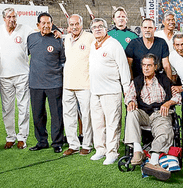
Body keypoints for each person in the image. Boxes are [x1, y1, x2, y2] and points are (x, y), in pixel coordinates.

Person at [124, 54, 181, 180]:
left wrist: (168, 103)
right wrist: (131, 101)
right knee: (131, 112)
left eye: (149, 65)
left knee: (165, 129)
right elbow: (129, 95)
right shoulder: (137, 81)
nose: (146, 68)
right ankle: (138, 152)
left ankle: (153, 161)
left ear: (155, 66)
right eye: (144, 65)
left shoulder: (164, 80)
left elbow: (177, 97)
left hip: (159, 113)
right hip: (143, 113)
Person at [88, 18, 131, 165]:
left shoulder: (114, 45)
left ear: (106, 28)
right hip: (95, 91)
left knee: (113, 123)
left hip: (111, 91)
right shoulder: (93, 45)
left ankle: (112, 152)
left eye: (100, 26)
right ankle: (101, 149)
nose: (97, 29)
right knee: (98, 123)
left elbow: (124, 69)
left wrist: (127, 92)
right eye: (94, 27)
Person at [0, 7, 33, 149]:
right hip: (5, 76)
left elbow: (40, 36)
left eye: (14, 16)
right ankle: (10, 136)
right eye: (9, 17)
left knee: (24, 107)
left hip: (22, 74)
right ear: (4, 18)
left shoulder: (26, 29)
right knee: (7, 108)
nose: (12, 19)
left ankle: (22, 137)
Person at [27, 12, 66, 153]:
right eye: (43, 23)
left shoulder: (58, 39)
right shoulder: (31, 38)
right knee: (38, 115)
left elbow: (63, 61)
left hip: (54, 83)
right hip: (35, 84)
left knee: (56, 115)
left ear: (52, 23)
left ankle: (57, 143)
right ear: (38, 25)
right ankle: (42, 141)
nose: (46, 25)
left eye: (48, 23)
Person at [62, 14, 95, 156]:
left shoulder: (90, 38)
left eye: (76, 24)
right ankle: (73, 145)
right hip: (68, 83)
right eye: (71, 24)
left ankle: (87, 144)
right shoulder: (67, 38)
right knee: (68, 115)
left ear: (82, 24)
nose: (74, 27)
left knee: (87, 115)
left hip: (85, 84)